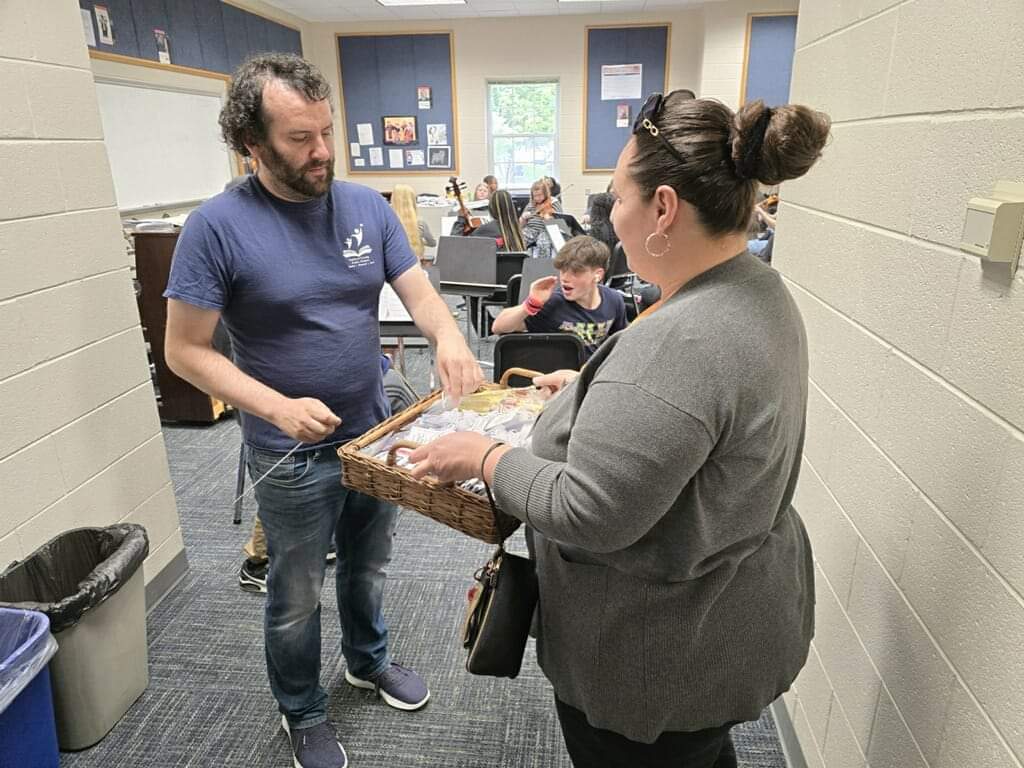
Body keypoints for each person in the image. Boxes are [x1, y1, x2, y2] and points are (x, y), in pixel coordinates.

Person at [406, 92, 830, 768]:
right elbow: (697, 422)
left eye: (617, 200)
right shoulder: (756, 288)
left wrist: (483, 457)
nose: (613, 221)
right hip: (731, 622)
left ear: (663, 208)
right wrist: (588, 392)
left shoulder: (681, 341)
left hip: (658, 653)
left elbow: (589, 510)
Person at [163, 53, 482, 768]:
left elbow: (420, 292)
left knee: (368, 568)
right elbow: (185, 350)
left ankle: (366, 662)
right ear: (252, 144)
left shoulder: (365, 207)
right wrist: (273, 403)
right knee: (298, 593)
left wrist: (452, 335)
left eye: (327, 133)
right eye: (301, 139)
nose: (323, 153)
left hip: (374, 434)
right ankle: (300, 709)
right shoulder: (214, 228)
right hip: (288, 451)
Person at [491, 235, 627, 360]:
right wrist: (530, 304)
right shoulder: (553, 303)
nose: (565, 278)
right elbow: (498, 327)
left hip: (593, 376)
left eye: (576, 272)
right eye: (562, 271)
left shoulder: (614, 300)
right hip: (557, 377)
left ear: (598, 275)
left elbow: (621, 343)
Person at [391, 184, 436, 265]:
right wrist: (419, 241)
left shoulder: (387, 223)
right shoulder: (420, 223)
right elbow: (432, 243)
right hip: (416, 266)